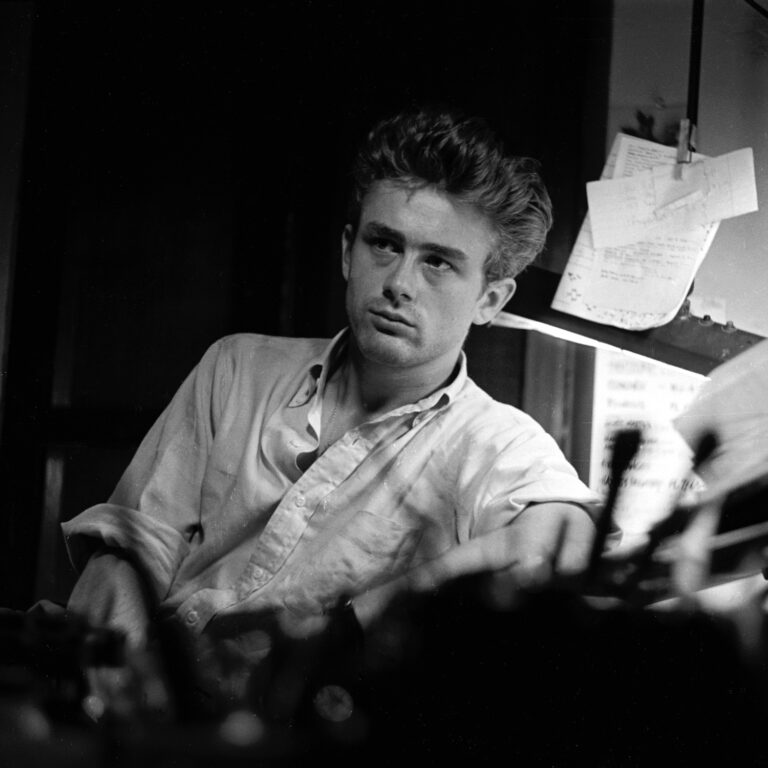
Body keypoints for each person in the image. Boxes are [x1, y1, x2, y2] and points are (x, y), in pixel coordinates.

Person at [62, 109, 600, 659]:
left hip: (305, 721)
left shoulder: (498, 443)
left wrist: (349, 629)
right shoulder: (237, 367)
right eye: (385, 244)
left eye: (438, 262)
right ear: (349, 251)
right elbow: (133, 543)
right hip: (151, 692)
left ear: (490, 300)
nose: (398, 283)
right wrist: (108, 684)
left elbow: (563, 543)